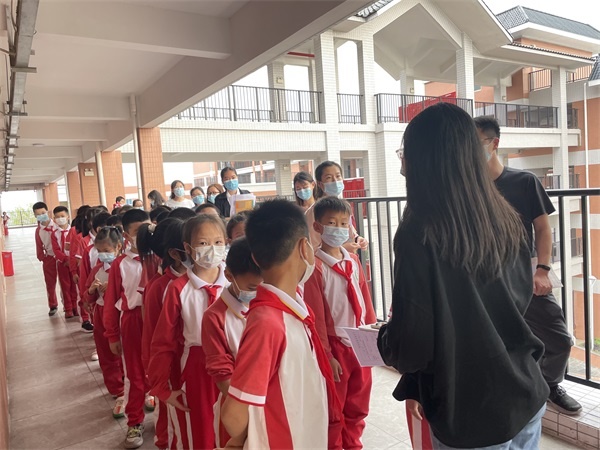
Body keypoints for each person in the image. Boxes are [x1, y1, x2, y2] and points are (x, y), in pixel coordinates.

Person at [377, 103, 548, 449]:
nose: (402, 165)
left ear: (426, 160)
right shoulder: (504, 215)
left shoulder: (418, 232)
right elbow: (518, 298)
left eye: (405, 153)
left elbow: (413, 345)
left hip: (470, 412)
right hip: (525, 392)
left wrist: (384, 340)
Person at [475, 115, 582, 416]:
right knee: (500, 343)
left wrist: (542, 269)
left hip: (525, 277)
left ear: (494, 143)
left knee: (558, 339)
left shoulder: (524, 182)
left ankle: (548, 386)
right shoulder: (468, 190)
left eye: (475, 143)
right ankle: (514, 392)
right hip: (486, 282)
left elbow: (543, 229)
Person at [221, 200, 337, 449]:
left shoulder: (293, 310)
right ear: (304, 247)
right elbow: (233, 415)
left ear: (255, 257)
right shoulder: (268, 323)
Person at [149, 215, 228, 450]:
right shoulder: (177, 289)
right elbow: (163, 341)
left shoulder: (235, 282)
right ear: (188, 248)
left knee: (231, 430)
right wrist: (161, 388)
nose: (211, 249)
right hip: (196, 369)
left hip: (233, 363)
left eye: (218, 242)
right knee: (199, 433)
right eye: (203, 243)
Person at [304, 196, 376, 449]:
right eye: (332, 223)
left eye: (344, 224)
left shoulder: (353, 261)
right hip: (336, 347)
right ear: (318, 227)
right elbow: (316, 317)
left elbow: (365, 300)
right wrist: (327, 355)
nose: (339, 228)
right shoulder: (315, 267)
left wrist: (373, 337)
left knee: (359, 404)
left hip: (360, 342)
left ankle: (353, 445)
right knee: (335, 408)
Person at [201, 237, 263, 448]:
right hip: (239, 409)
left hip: (270, 403)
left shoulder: (267, 306)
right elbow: (222, 374)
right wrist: (248, 409)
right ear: (229, 276)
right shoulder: (215, 317)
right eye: (252, 287)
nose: (258, 292)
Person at [103, 209, 154, 449]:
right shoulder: (120, 264)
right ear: (126, 235)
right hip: (133, 322)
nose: (144, 234)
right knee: (134, 374)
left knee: (162, 369)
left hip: (158, 320)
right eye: (138, 231)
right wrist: (112, 334)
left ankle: (165, 419)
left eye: (148, 228)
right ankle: (135, 421)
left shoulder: (160, 258)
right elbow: (111, 302)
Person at [138, 218, 186, 450]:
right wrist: (158, 383)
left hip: (197, 369)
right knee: (171, 422)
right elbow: (152, 338)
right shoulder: (160, 287)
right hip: (172, 368)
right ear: (176, 253)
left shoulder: (215, 280)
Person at [82, 226, 125, 419]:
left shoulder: (125, 267)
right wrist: (91, 291)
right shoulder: (97, 270)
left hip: (122, 314)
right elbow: (87, 297)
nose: (103, 255)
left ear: (118, 247)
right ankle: (118, 390)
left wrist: (115, 289)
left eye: (107, 250)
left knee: (128, 352)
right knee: (106, 353)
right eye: (99, 251)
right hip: (101, 315)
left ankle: (139, 386)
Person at [307, 161, 368, 253]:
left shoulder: (343, 206)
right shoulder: (314, 211)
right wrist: (342, 249)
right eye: (329, 178)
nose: (335, 181)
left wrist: (357, 238)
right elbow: (313, 246)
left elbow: (349, 230)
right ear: (320, 184)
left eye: (338, 176)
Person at [50, 206, 78, 319]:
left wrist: (72, 260)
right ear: (54, 219)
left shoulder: (74, 231)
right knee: (65, 286)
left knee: (74, 285)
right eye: (57, 217)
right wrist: (65, 259)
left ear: (68, 217)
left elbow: (76, 247)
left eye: (62, 216)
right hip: (62, 263)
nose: (60, 219)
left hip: (73, 262)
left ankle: (75, 306)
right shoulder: (54, 233)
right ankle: (68, 308)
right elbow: (56, 249)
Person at [33, 202, 58, 316]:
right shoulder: (39, 230)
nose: (41, 215)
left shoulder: (57, 225)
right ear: (35, 216)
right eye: (38, 214)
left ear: (48, 212)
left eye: (43, 213)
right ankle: (53, 305)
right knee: (50, 283)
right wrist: (42, 257)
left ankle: (70, 305)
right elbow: (39, 245)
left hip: (62, 257)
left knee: (66, 282)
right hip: (49, 258)